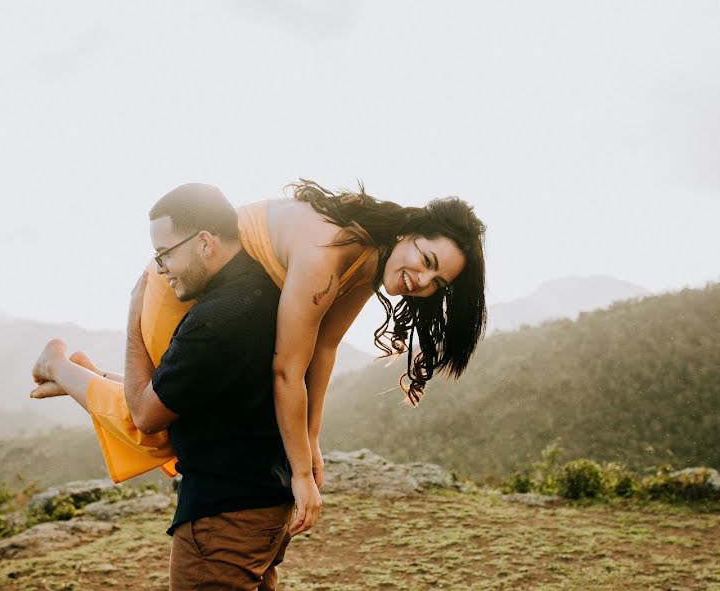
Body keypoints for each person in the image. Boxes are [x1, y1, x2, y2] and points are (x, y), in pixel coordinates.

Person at [33, 179, 487, 537]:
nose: (421, 280)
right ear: (408, 233)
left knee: (191, 406)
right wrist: (302, 477)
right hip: (181, 287)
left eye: (437, 282)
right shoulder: (326, 250)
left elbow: (322, 350)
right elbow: (287, 370)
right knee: (157, 425)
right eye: (425, 258)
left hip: (232, 303)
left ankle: (90, 378)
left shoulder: (369, 255)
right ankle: (60, 367)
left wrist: (309, 448)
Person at [32, 184, 294, 590]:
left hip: (225, 516)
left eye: (165, 253)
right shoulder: (263, 287)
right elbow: (192, 389)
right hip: (268, 502)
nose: (160, 268)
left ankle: (58, 365)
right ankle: (68, 372)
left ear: (205, 242)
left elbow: (145, 414)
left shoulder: (215, 321)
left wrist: (134, 319)